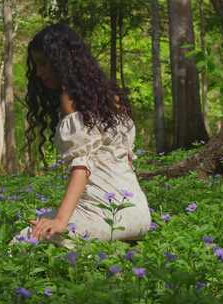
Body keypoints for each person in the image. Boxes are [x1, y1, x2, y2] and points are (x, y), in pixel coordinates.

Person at [9, 23, 152, 249]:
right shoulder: (110, 97)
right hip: (139, 212)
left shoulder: (70, 99)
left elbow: (81, 167)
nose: (39, 72)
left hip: (106, 212)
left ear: (62, 62)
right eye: (37, 65)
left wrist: (60, 221)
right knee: (42, 220)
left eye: (44, 64)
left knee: (25, 238)